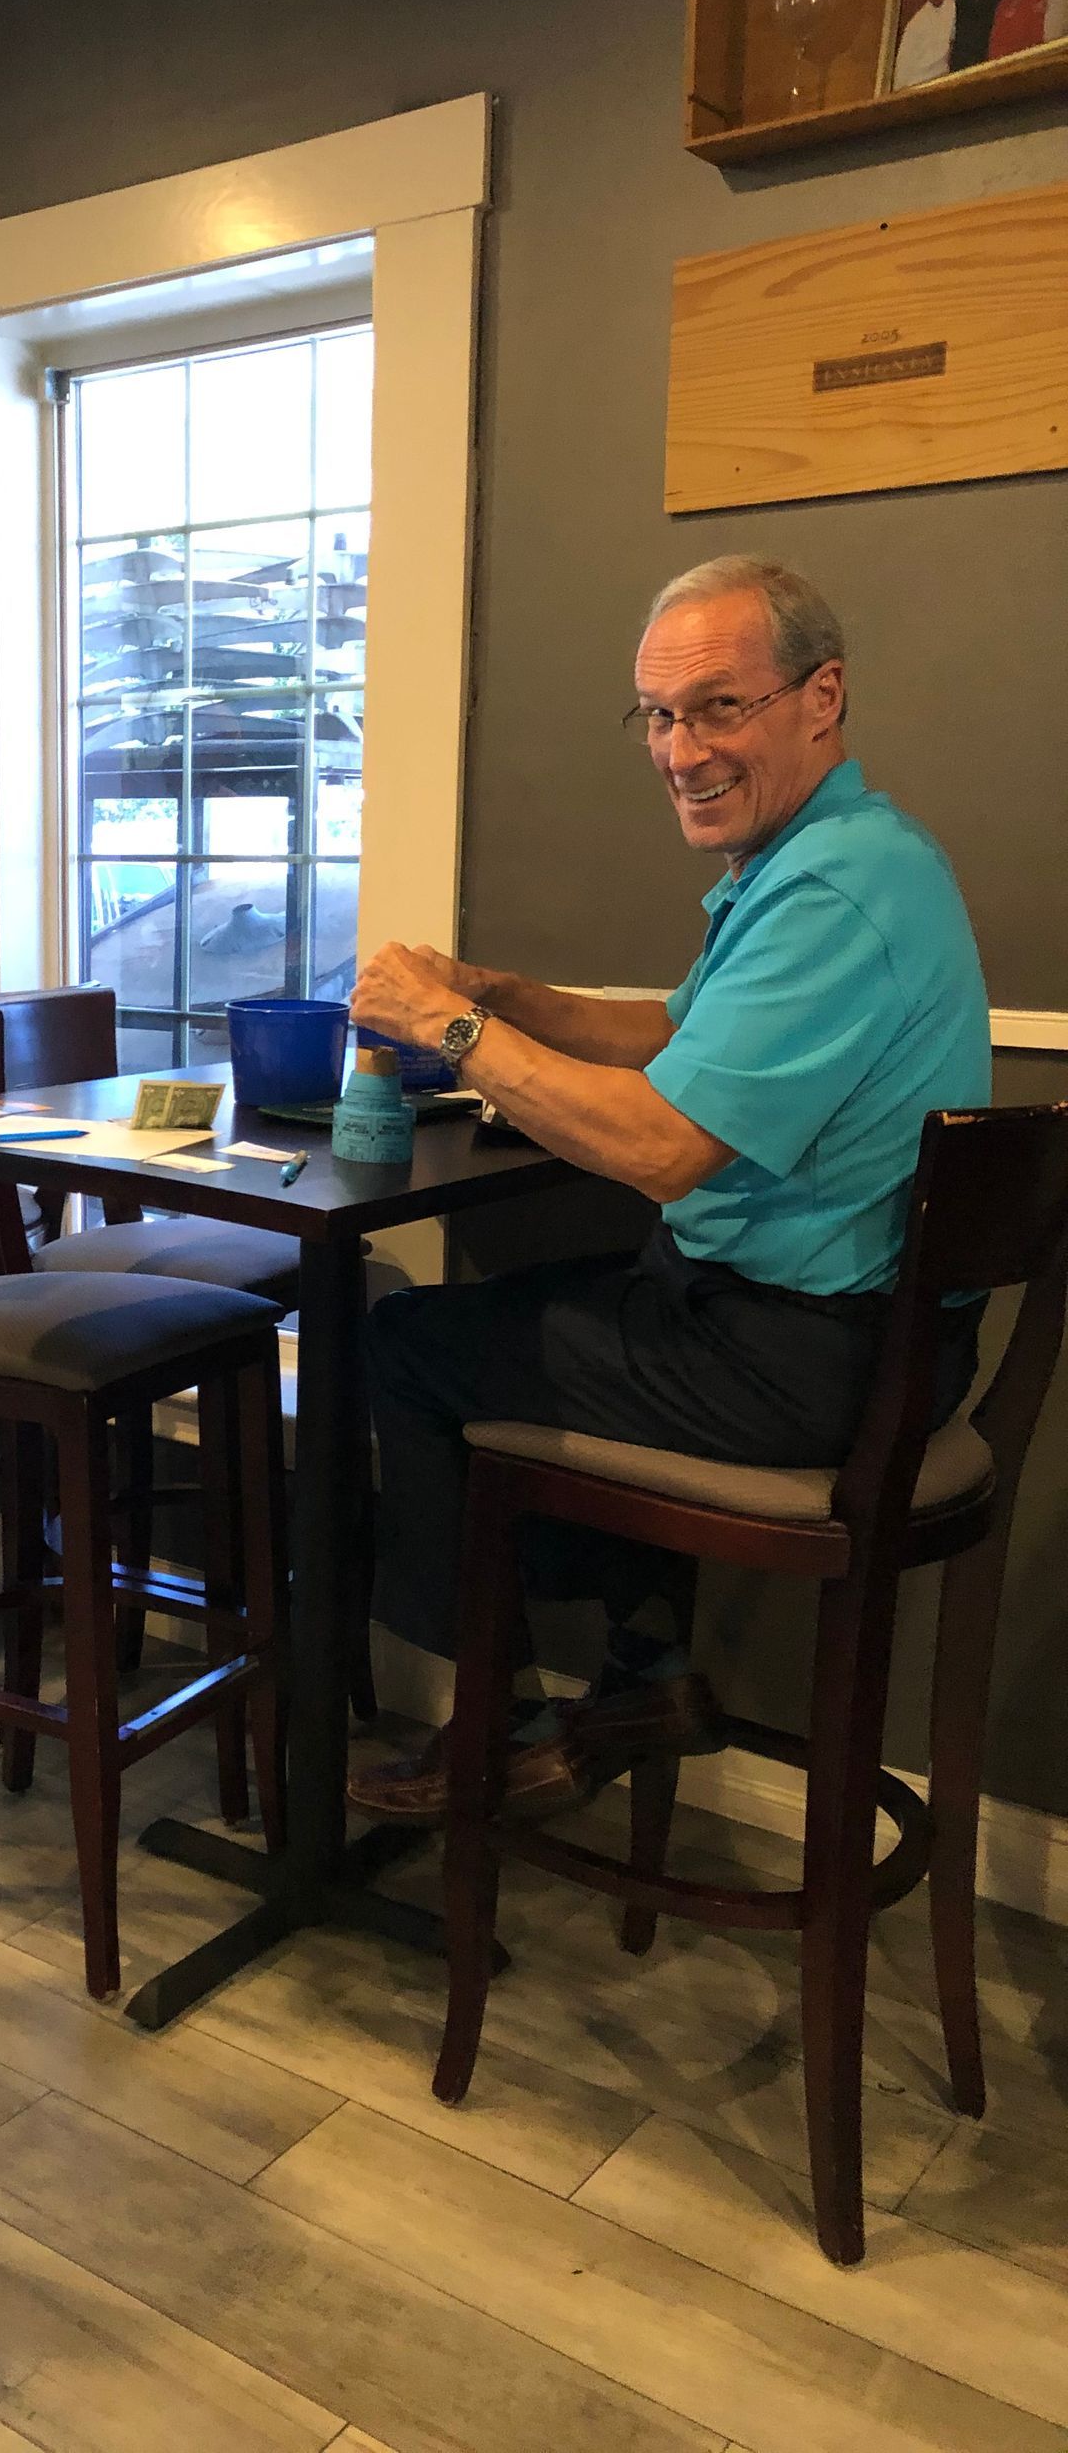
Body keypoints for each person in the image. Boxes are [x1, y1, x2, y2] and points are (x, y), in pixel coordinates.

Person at [346, 557, 989, 1828]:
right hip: (845, 1340)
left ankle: (492, 1722)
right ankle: (646, 1677)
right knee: (603, 1298)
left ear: (822, 695)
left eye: (718, 708)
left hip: (804, 1360)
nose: (679, 750)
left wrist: (456, 1031)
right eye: (657, 714)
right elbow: (678, 1035)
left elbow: (659, 1148)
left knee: (408, 1346)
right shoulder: (843, 851)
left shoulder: (831, 891)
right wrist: (514, 997)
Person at [892, 0, 958, 87]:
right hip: (918, 80)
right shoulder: (916, 23)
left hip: (944, 77)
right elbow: (904, 62)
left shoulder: (953, 7)